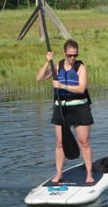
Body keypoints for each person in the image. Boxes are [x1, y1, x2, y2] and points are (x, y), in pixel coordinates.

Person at [36, 39, 94, 184]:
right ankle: (58, 174)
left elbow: (81, 88)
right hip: (61, 109)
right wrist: (47, 61)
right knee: (60, 143)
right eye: (70, 55)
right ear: (64, 53)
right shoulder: (58, 66)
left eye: (75, 55)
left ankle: (89, 174)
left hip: (79, 108)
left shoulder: (81, 67)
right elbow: (39, 78)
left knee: (84, 142)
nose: (72, 58)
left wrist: (62, 86)